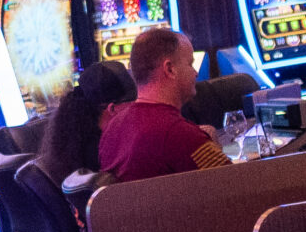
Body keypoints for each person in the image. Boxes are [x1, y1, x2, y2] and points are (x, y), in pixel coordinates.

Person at [97, 28, 228, 182]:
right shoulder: (179, 134)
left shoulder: (112, 129)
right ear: (170, 69)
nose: (195, 73)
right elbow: (233, 186)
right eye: (190, 64)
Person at [35, 60, 134, 188]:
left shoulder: (74, 142)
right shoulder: (104, 150)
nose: (136, 108)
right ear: (112, 109)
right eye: (133, 102)